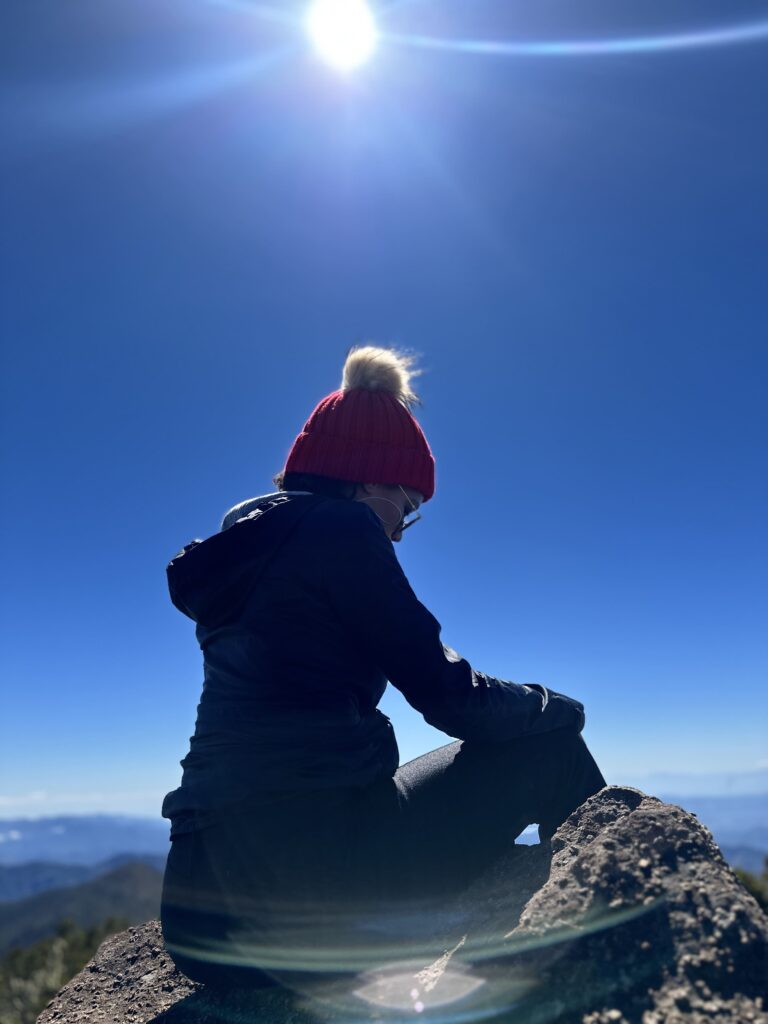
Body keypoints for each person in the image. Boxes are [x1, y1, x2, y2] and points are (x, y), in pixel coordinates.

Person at [160, 345, 605, 990]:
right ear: (369, 483)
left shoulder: (244, 553)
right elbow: (455, 700)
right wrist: (556, 704)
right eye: (407, 505)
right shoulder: (341, 531)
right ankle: (606, 944)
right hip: (316, 912)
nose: (401, 530)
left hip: (199, 926)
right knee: (554, 748)